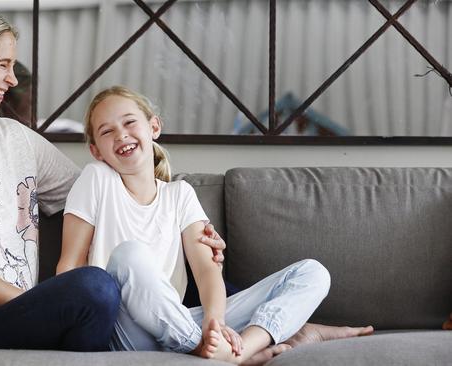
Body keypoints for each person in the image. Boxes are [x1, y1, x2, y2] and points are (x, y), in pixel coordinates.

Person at [0, 1, 226, 351]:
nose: (12, 78)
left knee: (222, 290)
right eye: (2, 64)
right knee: (94, 288)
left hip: (25, 314)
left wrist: (189, 231)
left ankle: (218, 338)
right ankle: (197, 346)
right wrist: (44, 302)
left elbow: (104, 193)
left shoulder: (15, 138)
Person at [57, 86, 373, 364]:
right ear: (96, 151)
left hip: (177, 321)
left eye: (129, 122)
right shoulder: (96, 178)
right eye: (107, 131)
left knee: (312, 272)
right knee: (129, 255)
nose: (121, 135)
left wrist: (214, 323)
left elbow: (207, 271)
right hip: (123, 329)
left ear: (153, 127)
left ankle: (239, 349)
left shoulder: (179, 194)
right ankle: (218, 353)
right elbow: (69, 267)